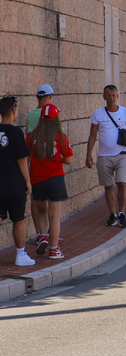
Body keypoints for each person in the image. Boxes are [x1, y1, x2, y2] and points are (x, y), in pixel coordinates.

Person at [86, 85, 126, 228]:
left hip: (122, 154)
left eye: (114, 95)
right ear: (104, 97)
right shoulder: (98, 114)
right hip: (104, 155)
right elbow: (92, 135)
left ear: (118, 96)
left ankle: (122, 213)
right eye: (109, 96)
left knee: (122, 183)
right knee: (108, 186)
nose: (112, 98)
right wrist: (89, 153)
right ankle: (112, 214)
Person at [26, 104, 73, 259]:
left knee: (41, 211)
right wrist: (56, 158)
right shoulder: (61, 137)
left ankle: (43, 236)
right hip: (55, 179)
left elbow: (24, 158)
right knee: (54, 216)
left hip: (37, 179)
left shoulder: (31, 136)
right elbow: (68, 159)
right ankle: (54, 249)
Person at [0, 96, 35, 266]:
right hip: (14, 184)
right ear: (14, 112)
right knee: (18, 219)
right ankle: (21, 255)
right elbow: (22, 160)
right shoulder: (15, 132)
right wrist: (27, 181)